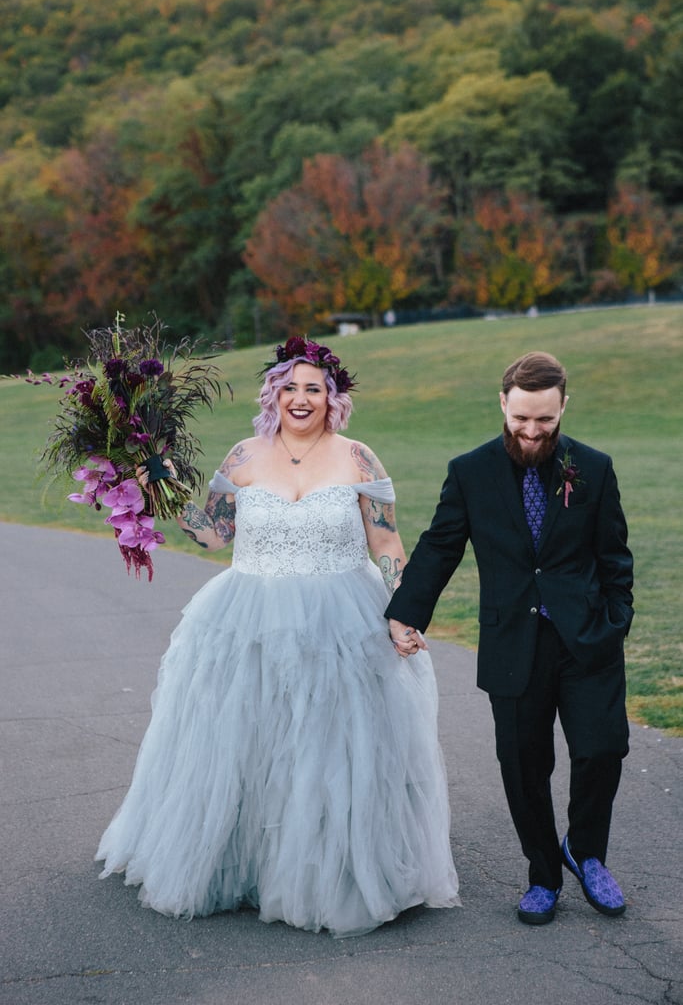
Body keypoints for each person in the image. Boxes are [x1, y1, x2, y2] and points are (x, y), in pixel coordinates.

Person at [96, 335, 460, 938]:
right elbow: (211, 534)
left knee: (333, 746)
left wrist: (405, 611)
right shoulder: (243, 456)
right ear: (273, 394)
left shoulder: (357, 458)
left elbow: (387, 543)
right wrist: (151, 480)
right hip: (250, 615)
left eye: (313, 388)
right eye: (288, 387)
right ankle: (245, 865)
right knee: (247, 739)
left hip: (342, 616)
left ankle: (333, 870)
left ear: (331, 398)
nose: (300, 397)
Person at [387, 351, 633, 926]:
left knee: (602, 749)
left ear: (563, 406)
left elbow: (614, 555)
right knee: (524, 765)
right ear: (502, 403)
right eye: (521, 417)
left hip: (587, 638)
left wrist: (616, 619)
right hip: (512, 641)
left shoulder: (592, 468)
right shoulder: (469, 471)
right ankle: (543, 874)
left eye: (544, 420)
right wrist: (406, 614)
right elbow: (441, 546)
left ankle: (587, 851)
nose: (530, 431)